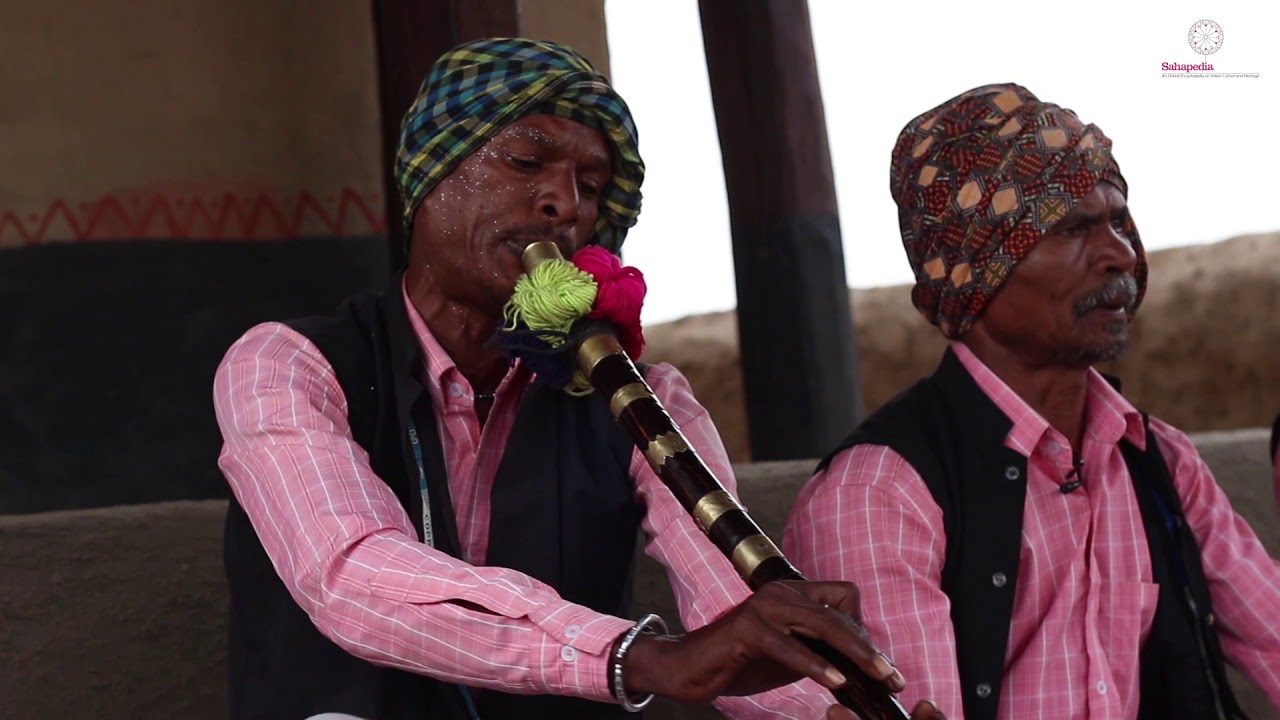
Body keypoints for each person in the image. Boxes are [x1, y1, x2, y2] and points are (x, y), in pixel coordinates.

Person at [214, 37, 941, 720]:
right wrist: (639, 657)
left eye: (590, 187)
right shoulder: (286, 365)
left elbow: (730, 606)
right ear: (432, 177)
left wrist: (833, 706)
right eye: (527, 164)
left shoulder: (643, 398)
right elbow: (351, 576)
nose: (564, 205)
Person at [783, 83, 1280, 720]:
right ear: (975, 266)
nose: (1120, 253)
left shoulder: (1162, 463)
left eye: (1117, 220)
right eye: (1073, 227)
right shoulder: (879, 495)